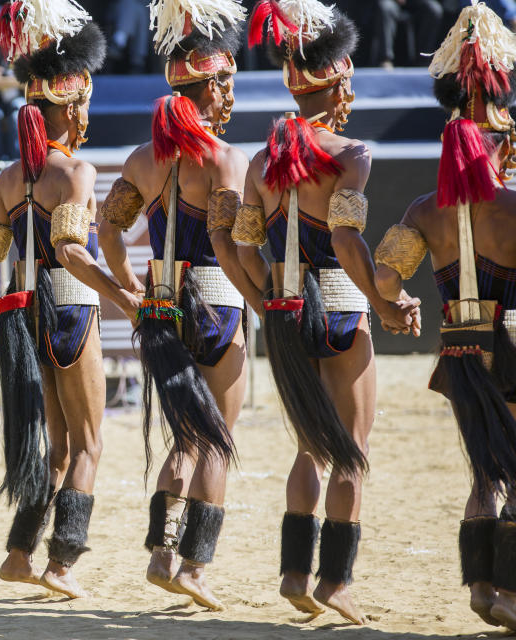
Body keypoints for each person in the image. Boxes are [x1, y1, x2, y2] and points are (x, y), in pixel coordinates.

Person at [237, 0, 418, 624]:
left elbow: (239, 245)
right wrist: (385, 302)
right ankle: (335, 582)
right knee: (351, 447)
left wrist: (265, 297)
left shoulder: (261, 164)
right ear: (339, 79)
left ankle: (294, 572)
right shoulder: (352, 153)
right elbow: (345, 242)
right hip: (340, 308)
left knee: (309, 447)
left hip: (285, 311)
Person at [98, 0, 258, 609]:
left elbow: (108, 230)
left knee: (186, 438)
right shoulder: (225, 160)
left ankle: (163, 554)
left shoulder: (145, 159)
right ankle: (193, 564)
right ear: (207, 86)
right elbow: (224, 243)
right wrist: (263, 297)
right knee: (216, 438)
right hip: (216, 304)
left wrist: (131, 287)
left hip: (162, 307)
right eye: (225, 86)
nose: (231, 98)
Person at [0, 0, 132, 599]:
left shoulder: (8, 180)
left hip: (24, 316)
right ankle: (61, 563)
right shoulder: (77, 173)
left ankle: (20, 551)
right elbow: (71, 250)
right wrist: (126, 294)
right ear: (73, 104)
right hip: (69, 310)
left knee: (58, 444)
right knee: (88, 442)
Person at [374, 3, 516, 629]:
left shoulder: (422, 210)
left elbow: (383, 276)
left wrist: (396, 305)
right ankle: (510, 594)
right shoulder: (512, 208)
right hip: (510, 348)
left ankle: (481, 589)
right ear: (499, 142)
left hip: (457, 352)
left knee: (486, 472)